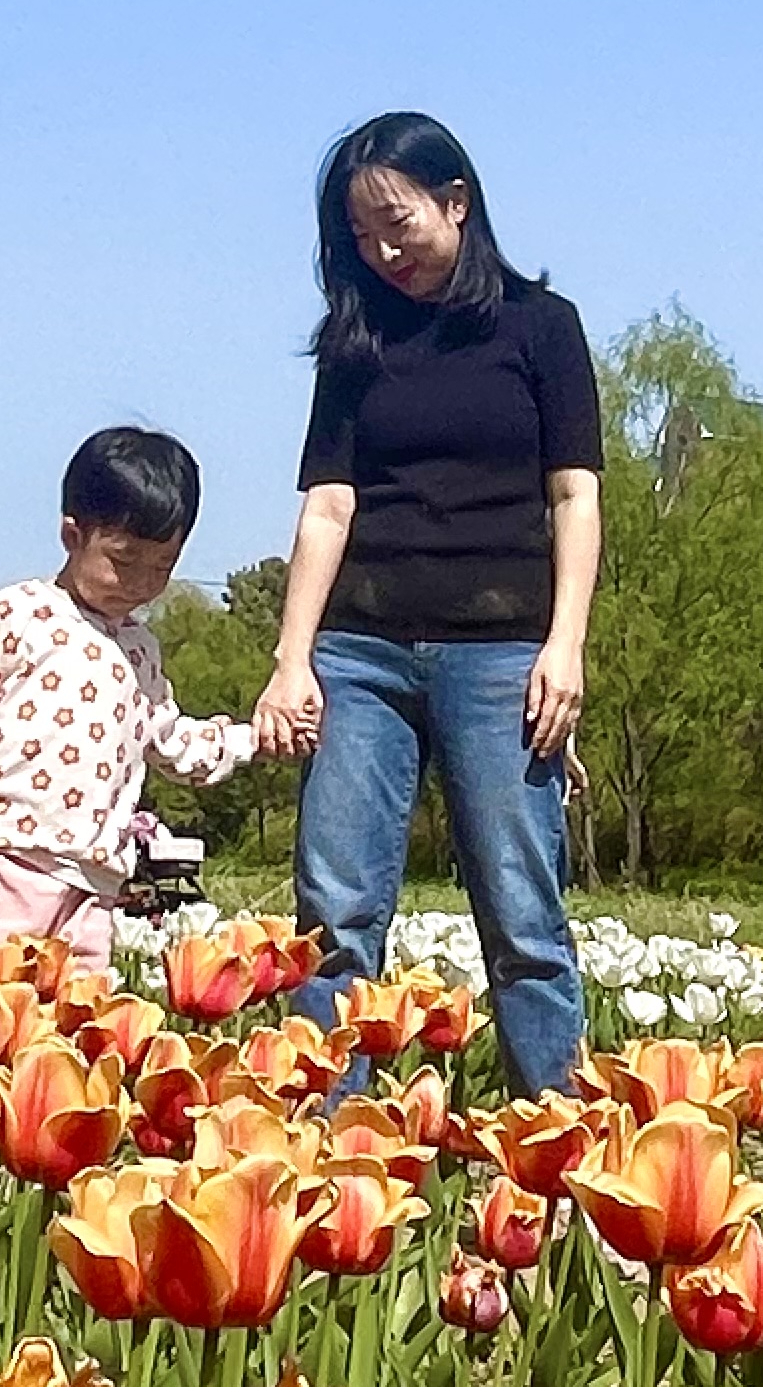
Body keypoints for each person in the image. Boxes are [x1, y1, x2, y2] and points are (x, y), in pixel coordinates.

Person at [253, 113, 602, 1099]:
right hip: (361, 653)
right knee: (336, 908)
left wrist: (564, 645)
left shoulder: (541, 326)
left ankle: (556, 1144)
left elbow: (575, 496)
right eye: (359, 236)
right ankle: (327, 1140)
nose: (382, 251)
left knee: (521, 911)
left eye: (397, 223)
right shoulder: (355, 342)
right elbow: (327, 508)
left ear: (457, 201)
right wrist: (293, 660)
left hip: (501, 652)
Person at [0, 426, 256, 973]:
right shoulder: (21, 612)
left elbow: (171, 740)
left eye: (162, 567)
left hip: (93, 881)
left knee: (74, 1024)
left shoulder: (139, 649)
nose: (140, 582)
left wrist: (249, 738)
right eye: (123, 559)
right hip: (2, 859)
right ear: (72, 535)